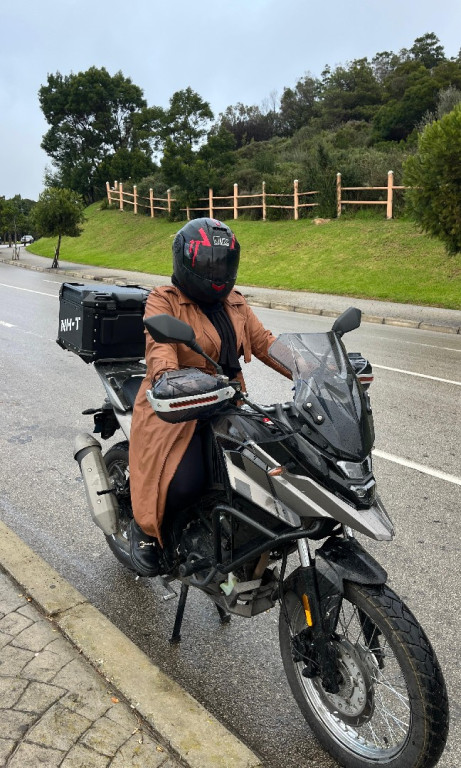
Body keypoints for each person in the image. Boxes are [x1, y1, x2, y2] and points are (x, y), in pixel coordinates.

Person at [129, 217, 290, 576]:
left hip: (228, 404)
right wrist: (170, 380)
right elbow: (160, 350)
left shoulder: (235, 302)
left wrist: (312, 369)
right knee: (183, 483)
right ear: (186, 261)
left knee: (262, 472)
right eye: (208, 264)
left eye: (223, 263)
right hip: (177, 407)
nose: (217, 272)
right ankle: (144, 531)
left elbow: (266, 343)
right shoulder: (164, 300)